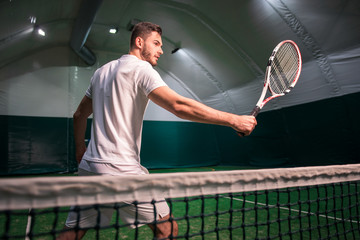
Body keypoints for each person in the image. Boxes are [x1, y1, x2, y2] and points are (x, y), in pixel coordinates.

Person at [57, 21, 256, 240]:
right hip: (122, 173)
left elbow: (79, 115)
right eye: (156, 43)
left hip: (89, 170)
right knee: (167, 229)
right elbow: (179, 106)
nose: (161, 50)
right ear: (139, 42)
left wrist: (80, 149)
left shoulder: (101, 72)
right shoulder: (142, 69)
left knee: (72, 233)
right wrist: (233, 120)